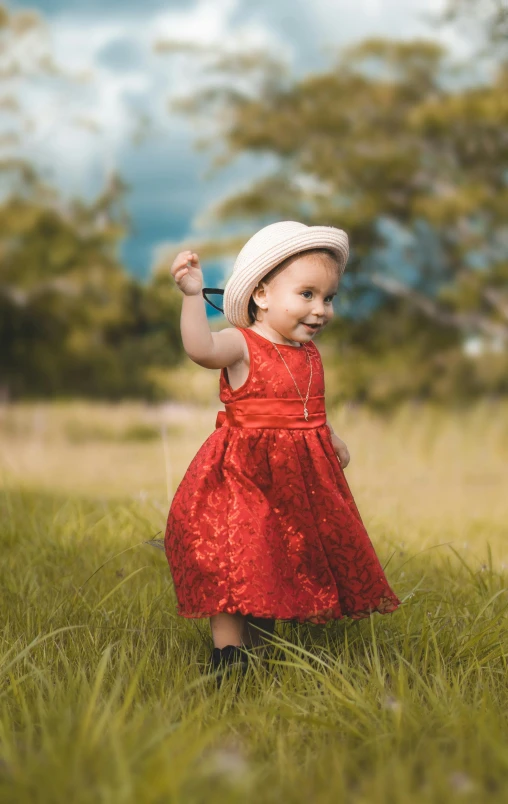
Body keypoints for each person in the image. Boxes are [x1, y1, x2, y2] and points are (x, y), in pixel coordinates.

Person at [165, 220, 401, 677]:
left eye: (329, 298)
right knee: (236, 556)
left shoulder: (308, 354)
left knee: (274, 562)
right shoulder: (242, 344)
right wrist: (193, 296)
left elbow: (307, 410)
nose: (321, 310)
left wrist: (331, 440)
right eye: (307, 294)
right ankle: (228, 659)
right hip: (242, 477)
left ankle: (259, 651)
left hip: (296, 486)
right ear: (262, 295)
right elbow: (200, 348)